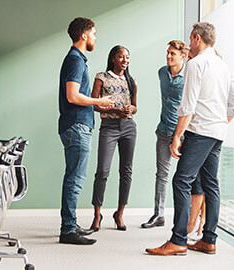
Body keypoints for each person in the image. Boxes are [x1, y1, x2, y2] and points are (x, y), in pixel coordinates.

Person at [146, 22, 234, 255]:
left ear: (197, 38)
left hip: (200, 133)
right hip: (217, 134)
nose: (189, 44)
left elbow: (187, 106)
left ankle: (178, 240)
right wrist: (217, 123)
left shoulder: (196, 64)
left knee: (181, 181)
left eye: (190, 39)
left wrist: (177, 136)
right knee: (211, 185)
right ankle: (209, 240)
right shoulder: (223, 66)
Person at [58, 17, 114, 245]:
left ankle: (70, 223)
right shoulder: (75, 60)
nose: (95, 37)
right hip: (77, 126)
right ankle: (68, 230)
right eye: (93, 33)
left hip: (76, 125)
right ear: (84, 35)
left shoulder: (76, 59)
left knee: (72, 177)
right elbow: (72, 95)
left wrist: (95, 103)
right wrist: (97, 102)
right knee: (75, 179)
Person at [141, 40, 189, 229]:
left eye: (173, 54)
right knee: (161, 174)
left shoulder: (189, 76)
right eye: (167, 53)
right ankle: (158, 215)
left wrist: (180, 133)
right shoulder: (162, 72)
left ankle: (191, 220)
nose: (168, 56)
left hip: (184, 133)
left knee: (187, 177)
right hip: (163, 131)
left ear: (183, 57)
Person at [89, 45, 137, 232]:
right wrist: (114, 110)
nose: (125, 60)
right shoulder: (101, 78)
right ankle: (97, 215)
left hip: (129, 128)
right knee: (102, 171)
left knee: (126, 171)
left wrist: (130, 109)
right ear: (112, 58)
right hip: (109, 127)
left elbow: (135, 106)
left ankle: (120, 214)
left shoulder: (131, 81)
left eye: (127, 57)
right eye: (121, 56)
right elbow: (94, 104)